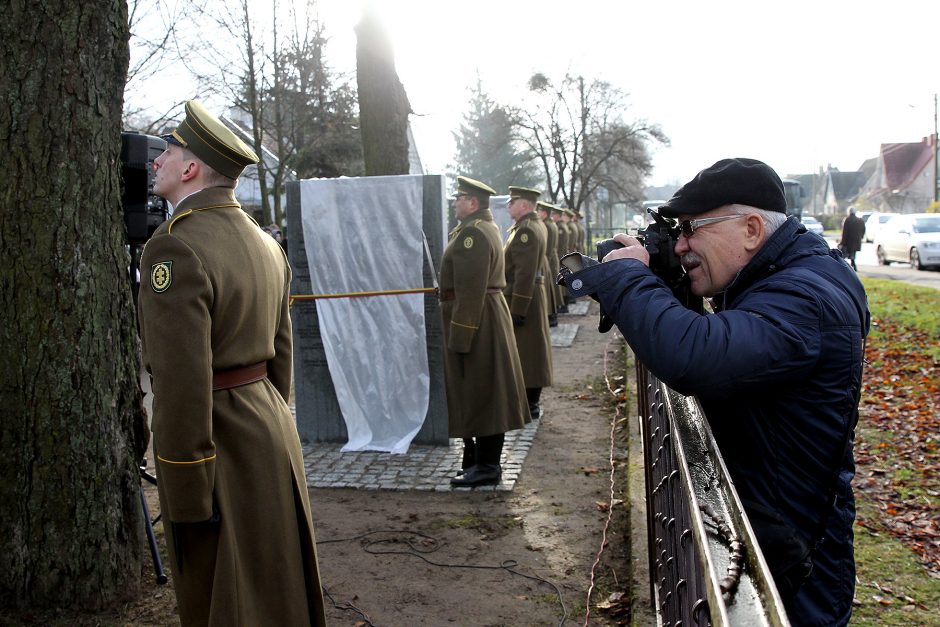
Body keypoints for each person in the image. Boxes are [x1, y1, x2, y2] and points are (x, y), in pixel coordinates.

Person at [564, 158, 869, 626]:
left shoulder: (806, 297)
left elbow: (697, 356)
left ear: (750, 229)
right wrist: (668, 287)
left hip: (797, 563)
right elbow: (727, 347)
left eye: (691, 229)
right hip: (776, 534)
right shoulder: (783, 275)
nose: (681, 244)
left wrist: (629, 279)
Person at [138, 100, 327, 626]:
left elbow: (179, 383)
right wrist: (274, 418)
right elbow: (280, 353)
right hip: (267, 426)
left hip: (216, 438)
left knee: (221, 590)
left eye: (168, 152)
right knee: (275, 579)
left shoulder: (174, 248)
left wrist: (185, 488)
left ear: (191, 168)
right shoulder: (267, 244)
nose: (157, 162)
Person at [440, 176, 529, 487]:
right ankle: (478, 461)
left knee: (482, 391)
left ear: (472, 202)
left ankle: (487, 466)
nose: (454, 203)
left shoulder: (473, 235)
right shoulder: (479, 228)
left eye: (459, 198)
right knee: (481, 390)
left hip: (476, 321)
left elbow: (470, 289)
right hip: (485, 316)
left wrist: (461, 335)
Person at [504, 186, 553, 420]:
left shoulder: (527, 231)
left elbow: (524, 273)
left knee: (529, 352)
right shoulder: (531, 226)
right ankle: (530, 401)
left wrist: (518, 308)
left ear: (524, 205)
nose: (508, 206)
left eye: (512, 202)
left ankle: (530, 403)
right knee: (531, 350)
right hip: (529, 296)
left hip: (524, 298)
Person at [537, 200, 561, 326]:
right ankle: (553, 315)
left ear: (544, 213)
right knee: (552, 289)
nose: (537, 213)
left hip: (549, 259)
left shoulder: (547, 225)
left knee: (549, 289)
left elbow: (549, 246)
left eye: (539, 211)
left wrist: (547, 261)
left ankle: (552, 316)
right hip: (550, 259)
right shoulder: (550, 224)